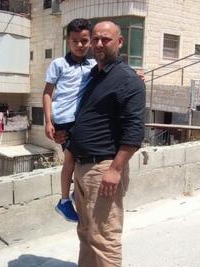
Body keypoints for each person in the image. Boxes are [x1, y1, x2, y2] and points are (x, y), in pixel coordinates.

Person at [59, 21, 146, 267]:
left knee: (104, 238)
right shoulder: (93, 76)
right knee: (86, 233)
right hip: (82, 167)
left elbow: (134, 130)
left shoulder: (127, 79)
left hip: (103, 169)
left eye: (105, 39)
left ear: (119, 42)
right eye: (95, 38)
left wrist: (115, 169)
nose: (98, 44)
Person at [43, 18, 96, 223]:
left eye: (84, 40)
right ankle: (64, 201)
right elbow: (47, 93)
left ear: (90, 41)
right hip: (64, 120)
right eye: (75, 41)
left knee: (84, 155)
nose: (80, 45)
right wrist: (49, 122)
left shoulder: (93, 65)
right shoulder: (59, 64)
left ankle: (75, 193)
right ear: (68, 41)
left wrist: (135, 76)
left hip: (81, 120)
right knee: (71, 159)